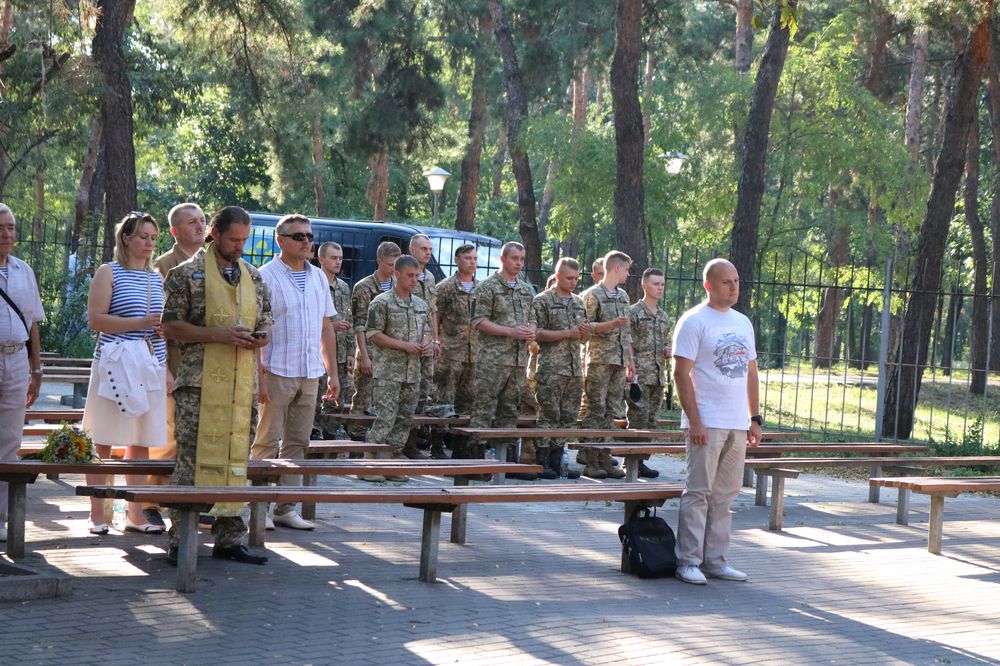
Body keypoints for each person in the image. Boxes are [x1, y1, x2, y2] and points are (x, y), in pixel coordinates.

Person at [161, 206, 272, 566]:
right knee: (190, 463)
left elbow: (266, 320)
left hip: (242, 385)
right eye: (234, 239)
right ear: (215, 233)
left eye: (244, 240)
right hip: (199, 385)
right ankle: (180, 539)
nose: (240, 246)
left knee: (237, 458)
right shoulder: (186, 273)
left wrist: (261, 336)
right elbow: (170, 326)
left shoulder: (252, 276)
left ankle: (229, 538)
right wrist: (218, 334)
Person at [672, 258, 760, 585]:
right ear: (709, 285)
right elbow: (681, 374)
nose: (734, 287)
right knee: (699, 492)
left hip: (737, 422)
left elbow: (751, 372)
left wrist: (754, 418)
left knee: (725, 496)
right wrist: (695, 421)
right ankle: (688, 561)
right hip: (707, 421)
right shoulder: (694, 321)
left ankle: (716, 561)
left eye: (736, 281)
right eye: (726, 282)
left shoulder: (743, 322)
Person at [83, 212, 171, 535]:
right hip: (115, 365)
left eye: (153, 238)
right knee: (103, 439)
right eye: (143, 237)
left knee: (141, 439)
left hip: (149, 364)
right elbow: (96, 320)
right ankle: (98, 513)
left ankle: (135, 513)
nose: (149, 243)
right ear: (126, 238)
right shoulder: (109, 272)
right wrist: (140, 323)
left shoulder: (155, 278)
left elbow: (158, 325)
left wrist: (162, 338)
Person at [250, 214, 339, 530]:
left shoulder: (318, 277)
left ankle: (286, 508)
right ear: (281, 240)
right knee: (267, 440)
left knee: (298, 442)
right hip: (276, 370)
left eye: (310, 236)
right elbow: (256, 328)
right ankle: (258, 507)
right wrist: (259, 375)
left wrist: (333, 373)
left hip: (310, 371)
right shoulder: (264, 276)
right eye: (299, 236)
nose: (306, 242)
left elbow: (326, 327)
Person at [143, 203, 207, 528]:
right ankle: (150, 503)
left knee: (198, 438)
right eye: (192, 222)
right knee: (167, 437)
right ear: (174, 231)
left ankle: (191, 502)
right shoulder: (164, 266)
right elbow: (158, 323)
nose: (200, 226)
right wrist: (164, 367)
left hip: (206, 365)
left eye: (202, 220)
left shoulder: (212, 263)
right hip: (173, 363)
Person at [360, 255, 431, 483]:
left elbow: (427, 329)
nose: (414, 280)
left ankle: (390, 462)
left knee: (404, 420)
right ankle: (369, 463)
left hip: (412, 372)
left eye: (417, 276)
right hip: (389, 372)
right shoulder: (381, 302)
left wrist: (426, 341)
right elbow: (373, 334)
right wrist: (405, 346)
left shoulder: (420, 304)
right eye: (410, 275)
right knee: (385, 418)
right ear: (397, 274)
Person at [467, 242, 536, 463]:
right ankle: (476, 460)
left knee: (509, 410)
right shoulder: (487, 287)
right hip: (493, 361)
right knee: (484, 409)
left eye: (522, 259)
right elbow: (477, 321)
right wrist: (510, 331)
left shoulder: (526, 290)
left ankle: (505, 460)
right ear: (503, 259)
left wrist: (531, 330)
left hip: (517, 360)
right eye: (514, 258)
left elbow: (533, 318)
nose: (519, 263)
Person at [0, 204, 43, 544]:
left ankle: (0, 518)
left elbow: (32, 323)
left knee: (10, 441)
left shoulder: (23, 270)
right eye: (0, 228)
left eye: (11, 227)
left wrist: (36, 368)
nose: (6, 234)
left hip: (16, 359)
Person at [578, 251, 633, 479]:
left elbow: (626, 332)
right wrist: (610, 324)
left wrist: (630, 359)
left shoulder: (623, 296)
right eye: (626, 269)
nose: (628, 274)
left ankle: (605, 457)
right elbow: (584, 327)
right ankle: (591, 461)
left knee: (611, 412)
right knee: (595, 410)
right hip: (599, 360)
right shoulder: (593, 295)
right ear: (617, 268)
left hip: (618, 361)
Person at [532, 259, 589, 479]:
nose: (573, 282)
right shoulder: (542, 300)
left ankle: (558, 460)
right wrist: (568, 333)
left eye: (576, 278)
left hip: (573, 370)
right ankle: (542, 461)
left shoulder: (578, 302)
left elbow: (582, 337)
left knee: (567, 416)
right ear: (557, 277)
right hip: (551, 369)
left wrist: (585, 333)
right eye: (569, 278)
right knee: (549, 415)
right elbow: (537, 333)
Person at [348, 241, 401, 437]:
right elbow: (359, 324)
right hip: (370, 351)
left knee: (386, 401)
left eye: (396, 264)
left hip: (391, 355)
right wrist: (364, 356)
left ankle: (378, 441)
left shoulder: (399, 286)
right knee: (363, 399)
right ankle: (355, 440)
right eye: (390, 264)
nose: (393, 269)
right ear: (379, 261)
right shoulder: (364, 287)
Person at [626, 268, 672, 479]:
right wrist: (630, 364)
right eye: (655, 284)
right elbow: (627, 341)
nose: (660, 288)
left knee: (651, 420)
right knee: (638, 418)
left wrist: (667, 350)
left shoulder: (663, 316)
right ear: (645, 285)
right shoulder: (634, 312)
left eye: (662, 284)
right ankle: (630, 461)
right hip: (640, 375)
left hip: (657, 374)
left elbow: (663, 342)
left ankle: (641, 460)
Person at [434, 244, 478, 415]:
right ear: (457, 260)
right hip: (450, 354)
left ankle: (462, 433)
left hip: (474, 354)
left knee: (469, 403)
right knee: (445, 402)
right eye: (467, 258)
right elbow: (435, 317)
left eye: (474, 259)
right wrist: (436, 341)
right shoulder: (445, 288)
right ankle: (439, 432)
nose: (472, 262)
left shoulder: (481, 289)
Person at [317, 242, 354, 417]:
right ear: (321, 259)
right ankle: (315, 430)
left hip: (340, 355)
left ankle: (330, 432)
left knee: (336, 403)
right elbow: (308, 321)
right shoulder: (315, 284)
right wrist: (332, 327)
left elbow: (349, 320)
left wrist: (350, 352)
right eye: (333, 258)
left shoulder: (343, 287)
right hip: (319, 354)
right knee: (317, 401)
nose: (338, 262)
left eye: (340, 258)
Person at [408, 234, 442, 414]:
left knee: (426, 383)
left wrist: (435, 339)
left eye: (430, 249)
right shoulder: (401, 275)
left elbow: (433, 310)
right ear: (412, 250)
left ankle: (418, 425)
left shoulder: (430, 277)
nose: (428, 253)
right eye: (424, 249)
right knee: (409, 386)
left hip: (427, 340)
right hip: (409, 339)